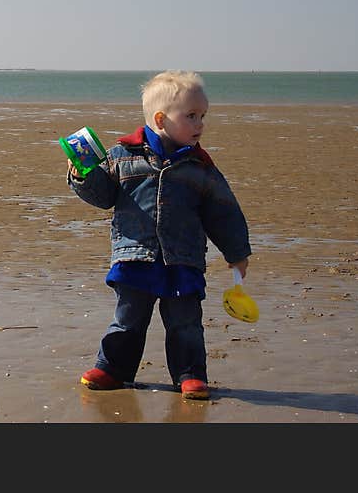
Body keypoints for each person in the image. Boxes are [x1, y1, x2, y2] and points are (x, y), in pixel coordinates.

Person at [67, 70, 251, 400]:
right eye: (191, 116)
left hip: (183, 258)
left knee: (185, 323)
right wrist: (83, 174)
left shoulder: (200, 166)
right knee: (127, 320)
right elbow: (104, 196)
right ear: (161, 119)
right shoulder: (122, 155)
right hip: (134, 255)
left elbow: (223, 211)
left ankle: (190, 375)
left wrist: (236, 251)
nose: (200, 124)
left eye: (203, 116)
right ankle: (112, 369)